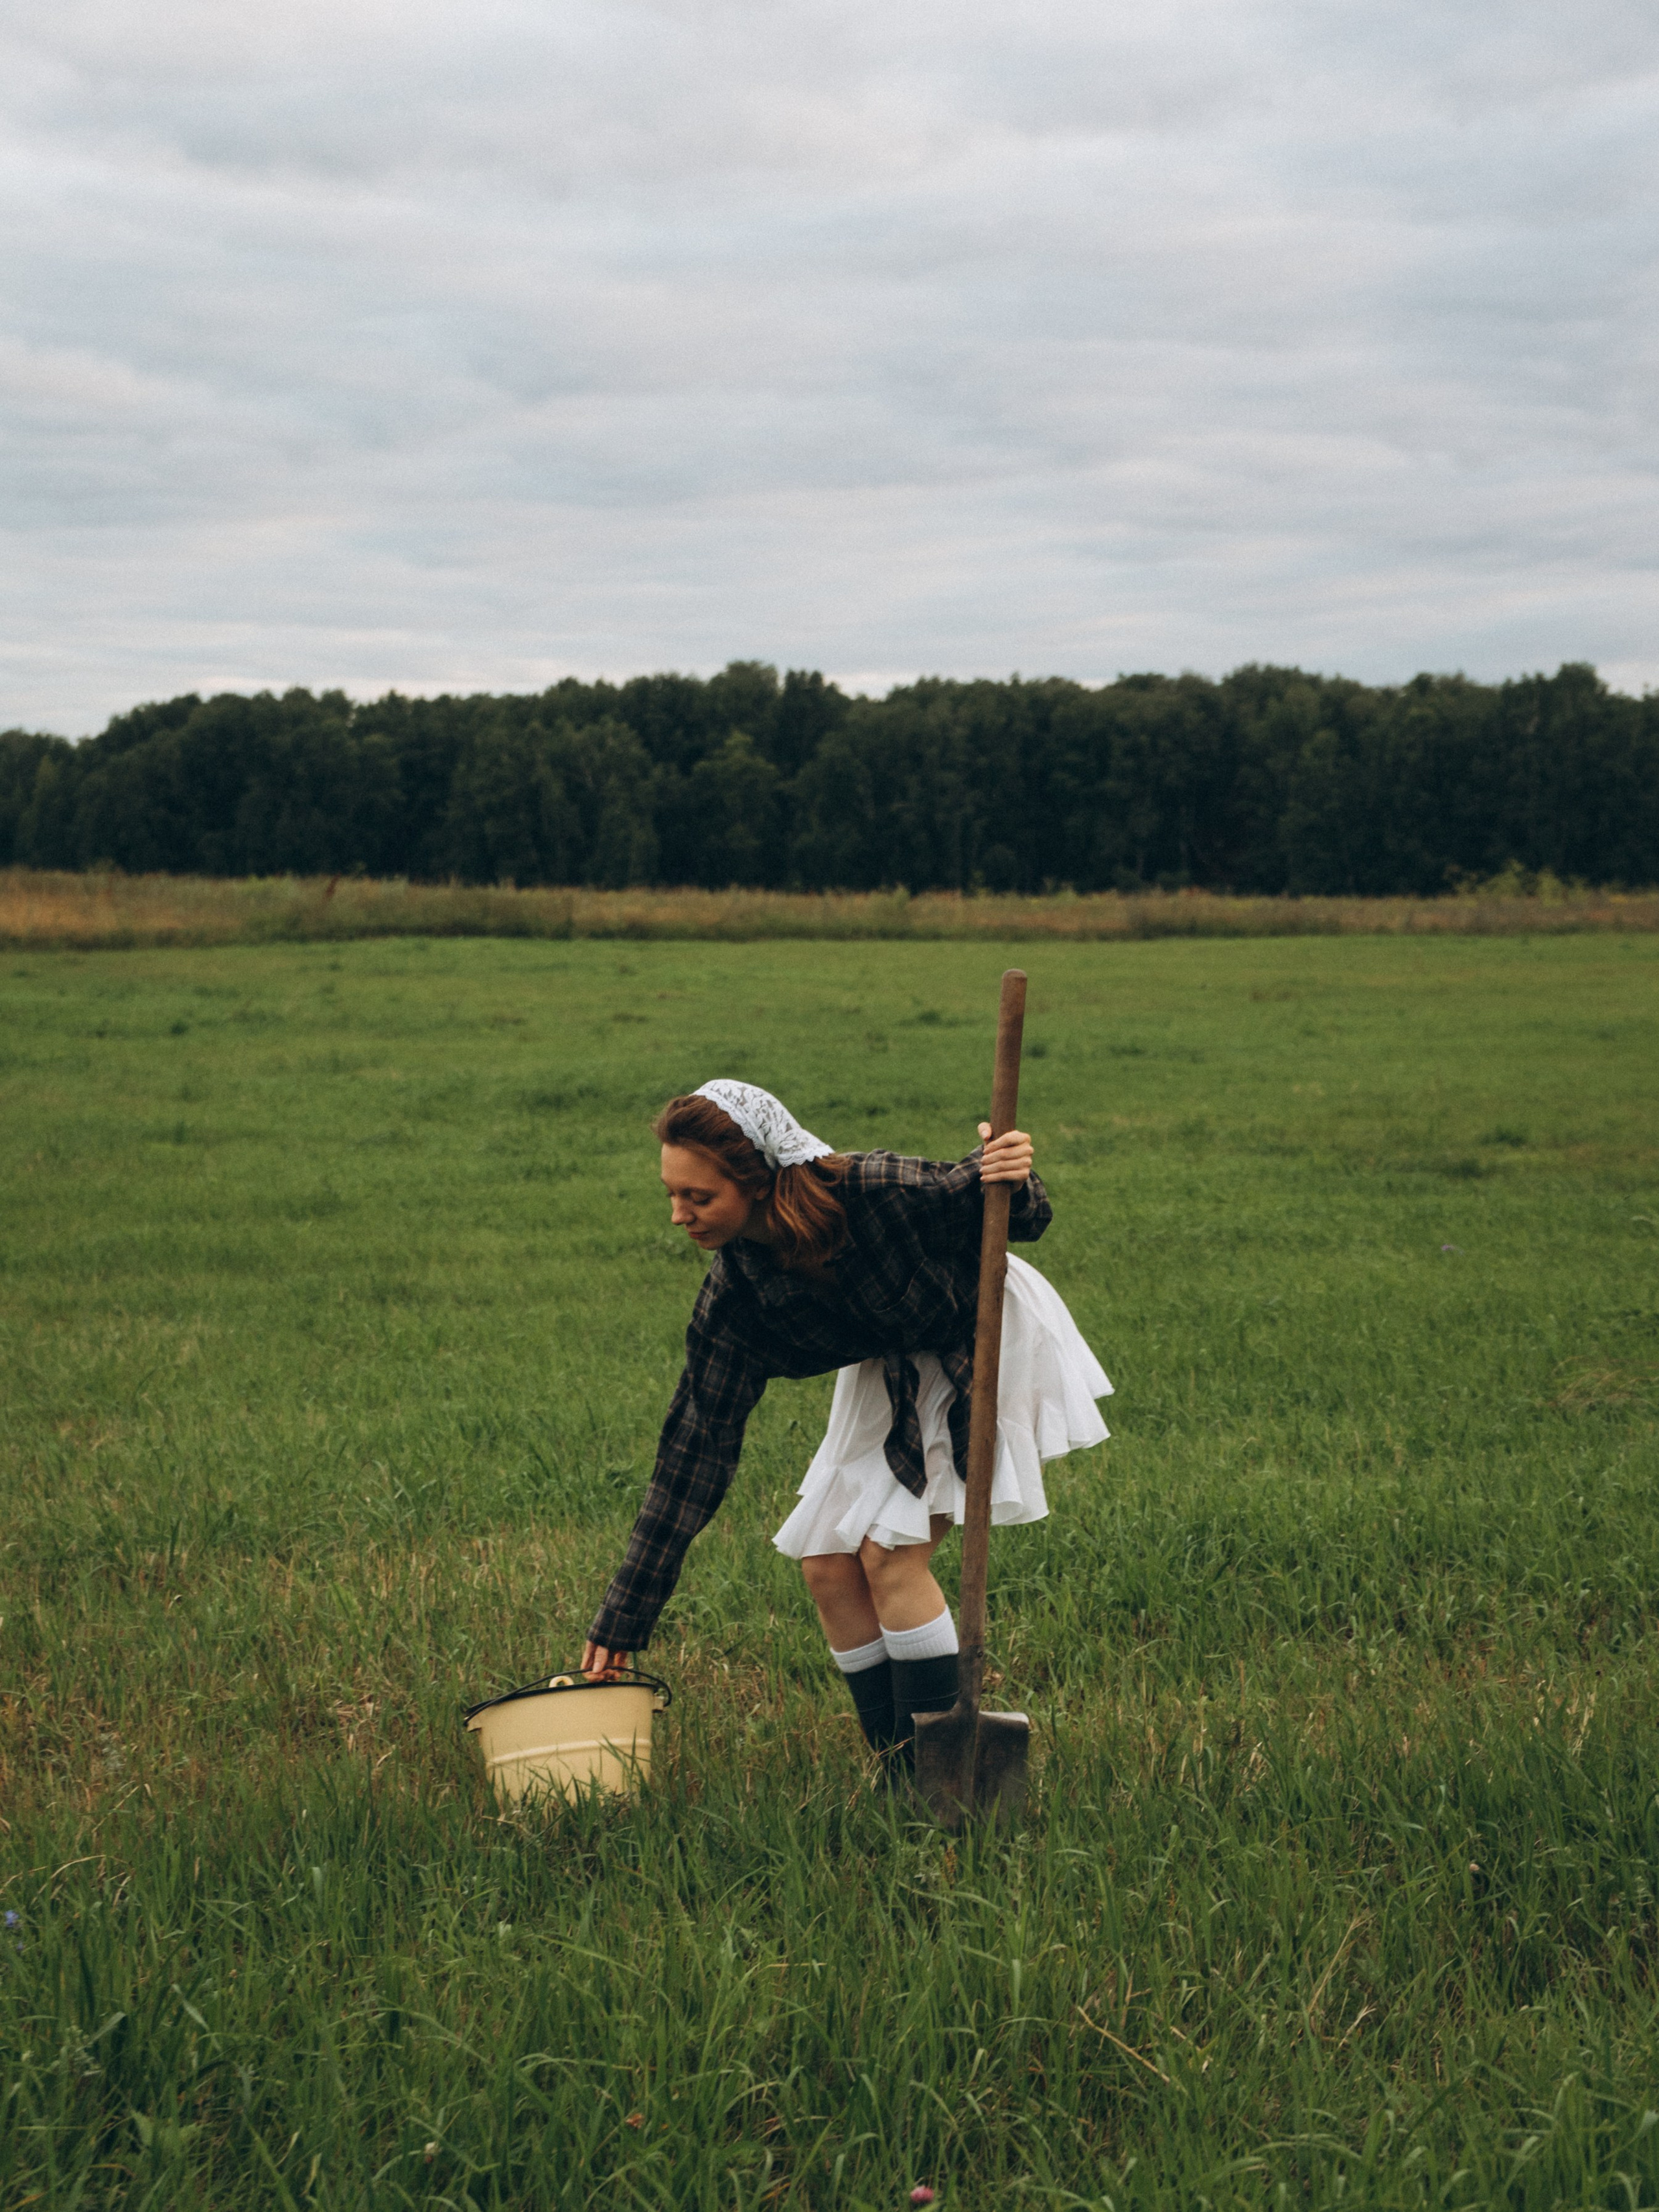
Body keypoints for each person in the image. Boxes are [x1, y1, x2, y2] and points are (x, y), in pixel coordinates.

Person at [581, 1080, 1112, 1768]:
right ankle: (902, 1774)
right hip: (888, 1364)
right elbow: (694, 1450)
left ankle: (948, 1778)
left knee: (890, 1556)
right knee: (829, 1565)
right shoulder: (736, 1297)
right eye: (672, 1196)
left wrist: (1011, 1169)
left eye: (699, 1197)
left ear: (761, 1181)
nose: (680, 1217)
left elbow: (1019, 1214)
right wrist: (626, 1614)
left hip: (978, 1337)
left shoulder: (874, 1190)